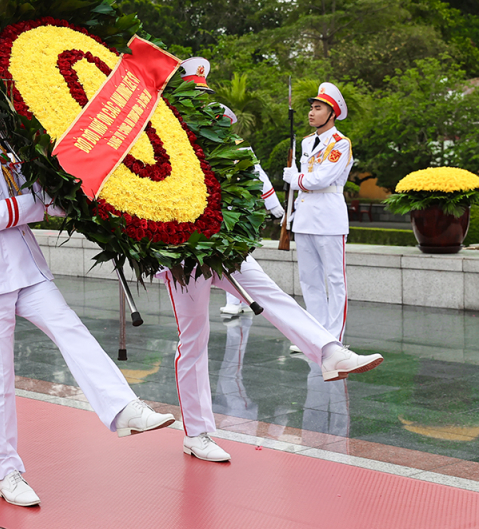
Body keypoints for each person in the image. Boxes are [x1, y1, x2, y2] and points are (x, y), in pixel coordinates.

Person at [0, 56, 175, 507]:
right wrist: (37, 205)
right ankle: (7, 471)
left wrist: (79, 196)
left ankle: (122, 407)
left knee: (72, 330)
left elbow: (36, 193)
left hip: (27, 268)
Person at [159, 60, 382, 463]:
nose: (207, 111)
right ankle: (197, 432)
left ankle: (329, 350)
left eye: (209, 102)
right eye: (197, 102)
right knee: (194, 341)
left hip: (226, 248)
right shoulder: (165, 146)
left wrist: (273, 212)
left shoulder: (231, 148)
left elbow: (256, 182)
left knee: (275, 296)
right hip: (185, 253)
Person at [282, 82, 353, 342]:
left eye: (318, 108)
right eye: (311, 108)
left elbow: (322, 179)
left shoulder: (340, 144)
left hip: (329, 218)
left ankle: (334, 338)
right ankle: (317, 336)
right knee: (309, 280)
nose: (311, 113)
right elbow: (305, 183)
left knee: (335, 280)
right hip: (304, 217)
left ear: (332, 114)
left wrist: (295, 178)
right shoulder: (306, 142)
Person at [210, 102, 285, 315]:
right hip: (218, 209)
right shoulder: (204, 146)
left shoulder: (239, 148)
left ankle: (238, 300)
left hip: (238, 209)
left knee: (235, 255)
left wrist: (273, 204)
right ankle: (238, 300)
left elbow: (258, 174)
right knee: (225, 254)